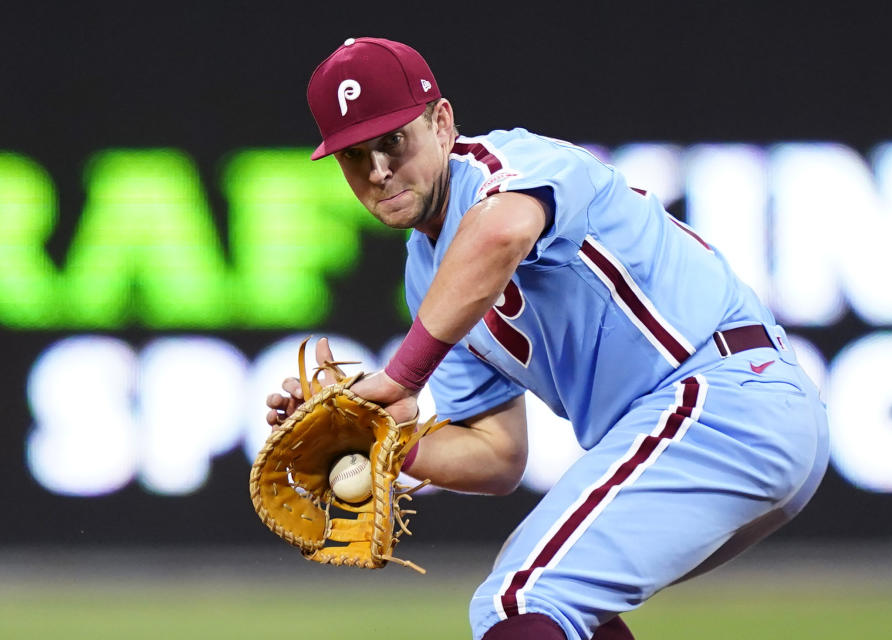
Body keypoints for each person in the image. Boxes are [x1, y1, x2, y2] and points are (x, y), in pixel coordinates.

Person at [265, 37, 830, 640]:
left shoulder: (506, 165)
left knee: (519, 600)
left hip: (724, 395)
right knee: (557, 602)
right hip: (706, 417)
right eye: (355, 155)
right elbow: (497, 455)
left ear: (442, 121)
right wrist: (382, 440)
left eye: (393, 140)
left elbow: (502, 232)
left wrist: (403, 377)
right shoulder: (427, 275)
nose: (378, 170)